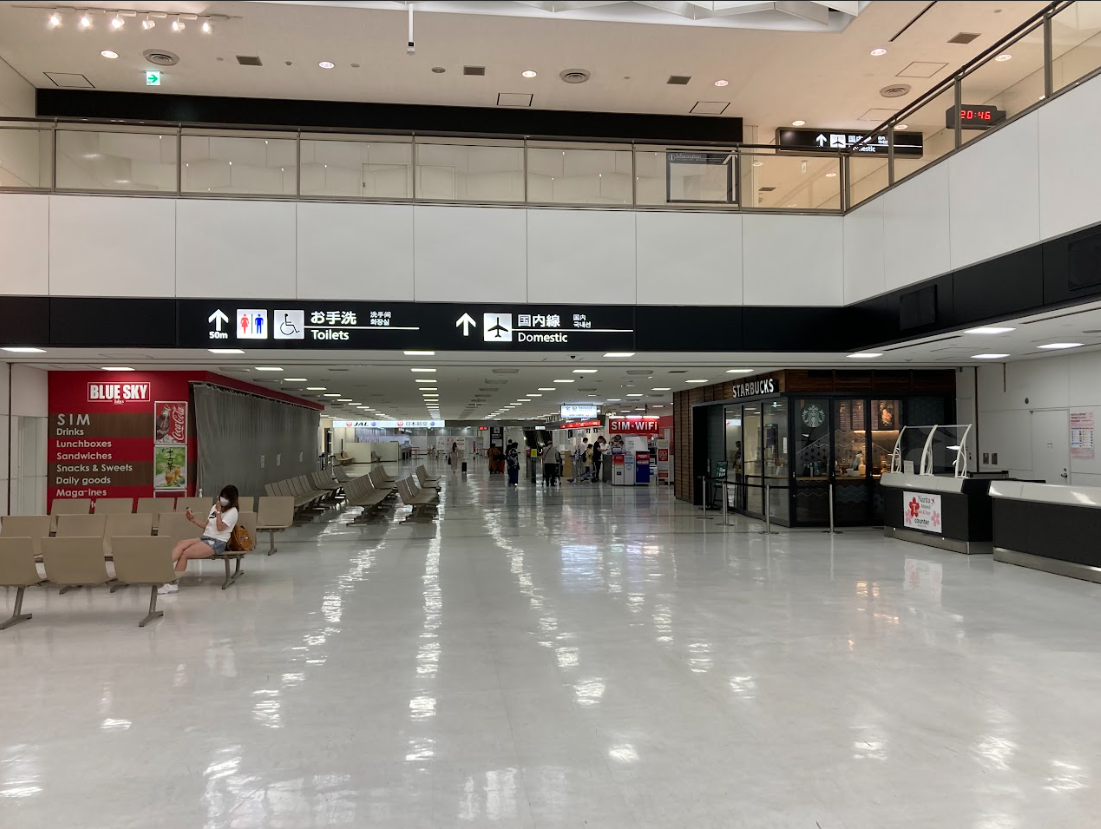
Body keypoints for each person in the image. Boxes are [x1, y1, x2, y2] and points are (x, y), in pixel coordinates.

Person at [161, 485, 239, 594]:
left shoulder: (233, 512)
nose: (222, 499)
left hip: (217, 542)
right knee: (182, 543)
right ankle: (162, 568)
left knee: (185, 553)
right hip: (206, 538)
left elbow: (220, 527)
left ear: (232, 499)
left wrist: (218, 512)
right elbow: (207, 525)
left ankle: (173, 584)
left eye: (226, 497)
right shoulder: (215, 507)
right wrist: (193, 520)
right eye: (222, 496)